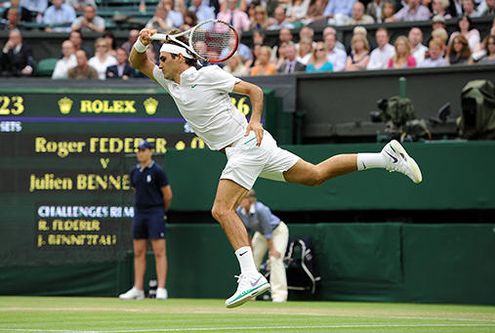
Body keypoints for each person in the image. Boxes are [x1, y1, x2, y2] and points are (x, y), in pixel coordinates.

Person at [129, 27, 422, 308]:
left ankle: (250, 275)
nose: (159, 63)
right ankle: (385, 159)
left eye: (164, 58)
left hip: (245, 145)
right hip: (254, 148)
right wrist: (143, 43)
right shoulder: (169, 81)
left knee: (221, 209)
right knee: (315, 175)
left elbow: (254, 90)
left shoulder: (207, 75)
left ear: (180, 58)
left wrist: (254, 121)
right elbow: (137, 60)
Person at [119, 141, 173, 301]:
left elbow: (168, 195)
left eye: (143, 150)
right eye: (138, 150)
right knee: (138, 252)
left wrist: (160, 210)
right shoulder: (134, 172)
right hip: (139, 213)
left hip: (155, 212)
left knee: (159, 251)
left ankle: (162, 288)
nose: (140, 153)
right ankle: (138, 288)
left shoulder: (158, 171)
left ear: (150, 151)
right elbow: (137, 191)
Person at [237, 190, 289, 303]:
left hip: (277, 231)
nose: (239, 201)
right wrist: (249, 247)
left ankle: (279, 296)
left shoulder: (261, 209)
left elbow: (268, 231)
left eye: (242, 198)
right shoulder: (239, 211)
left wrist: (272, 250)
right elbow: (247, 231)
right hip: (260, 234)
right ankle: (250, 293)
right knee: (251, 260)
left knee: (275, 259)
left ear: (249, 200)